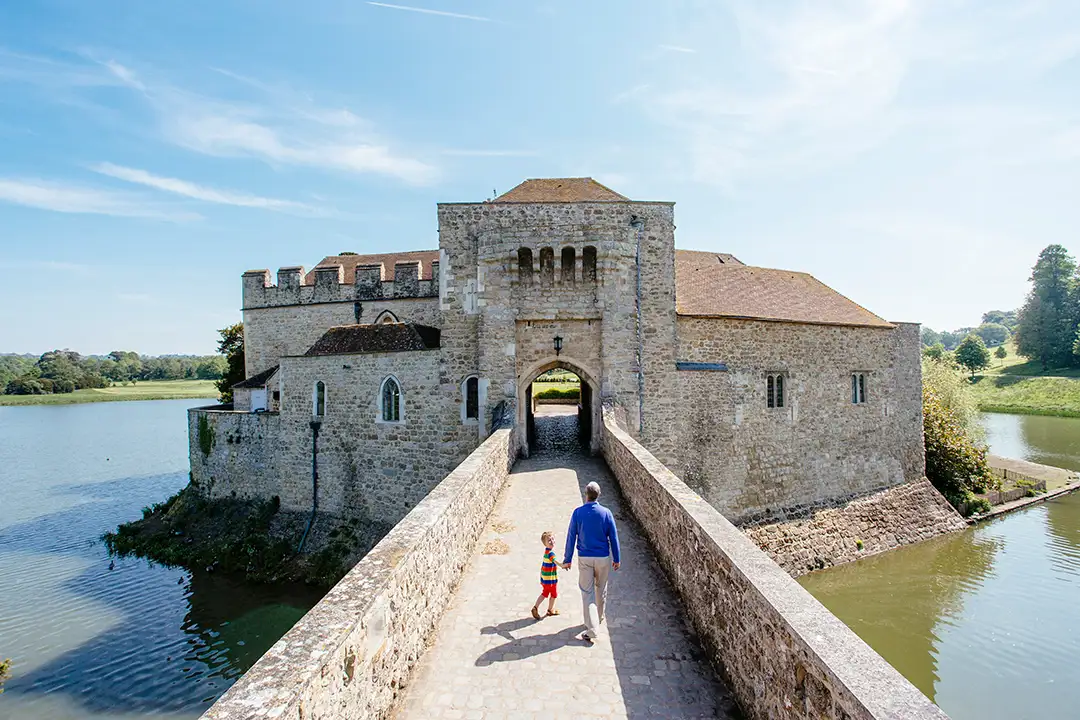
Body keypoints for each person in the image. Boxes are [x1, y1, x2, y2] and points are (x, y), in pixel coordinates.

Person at [563, 481, 620, 643]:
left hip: (585, 557)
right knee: (600, 589)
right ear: (598, 495)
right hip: (602, 558)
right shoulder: (606, 513)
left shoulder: (578, 513)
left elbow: (571, 537)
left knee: (587, 593)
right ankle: (599, 618)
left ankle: (592, 627)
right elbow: (614, 538)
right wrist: (617, 558)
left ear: (585, 494)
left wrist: (567, 559)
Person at [531, 531, 565, 620]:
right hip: (550, 580)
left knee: (545, 593)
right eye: (549, 540)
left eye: (552, 539)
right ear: (545, 544)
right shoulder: (551, 553)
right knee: (553, 594)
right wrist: (561, 565)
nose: (552, 541)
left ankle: (536, 607)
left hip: (545, 578)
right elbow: (554, 560)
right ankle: (549, 610)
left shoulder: (547, 551)